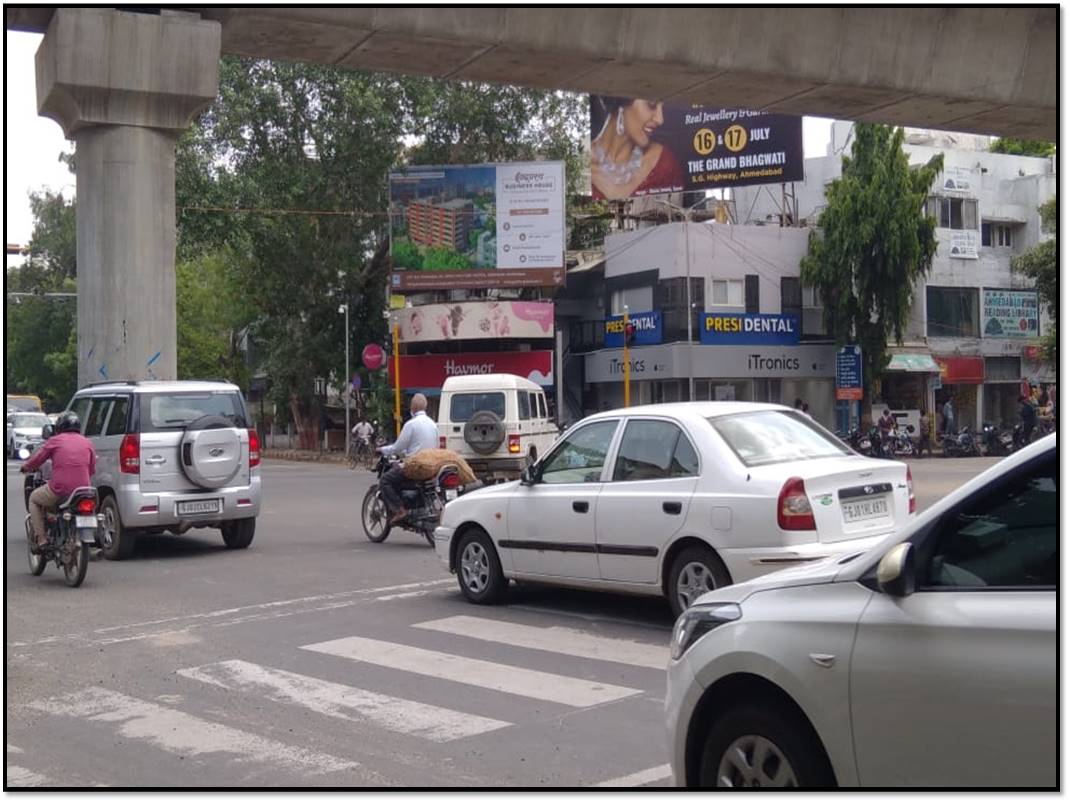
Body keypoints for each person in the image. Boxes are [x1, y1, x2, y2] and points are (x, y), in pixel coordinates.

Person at [20, 411, 96, 554]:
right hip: (84, 490)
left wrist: (26, 467)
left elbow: (38, 459)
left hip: (60, 489)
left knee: (34, 499)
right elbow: (92, 469)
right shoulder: (87, 442)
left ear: (60, 427)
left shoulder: (55, 440)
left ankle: (42, 539)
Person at [590, 96, 685, 201]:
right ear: (621, 104)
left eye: (662, 107)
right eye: (652, 104)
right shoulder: (581, 167)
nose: (660, 119)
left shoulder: (664, 164)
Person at [377, 393, 439, 524]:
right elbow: (435, 446)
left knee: (385, 480)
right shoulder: (433, 425)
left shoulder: (411, 424)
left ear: (413, 407)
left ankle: (400, 510)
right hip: (430, 467)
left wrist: (382, 450)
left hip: (414, 468)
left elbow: (397, 448)